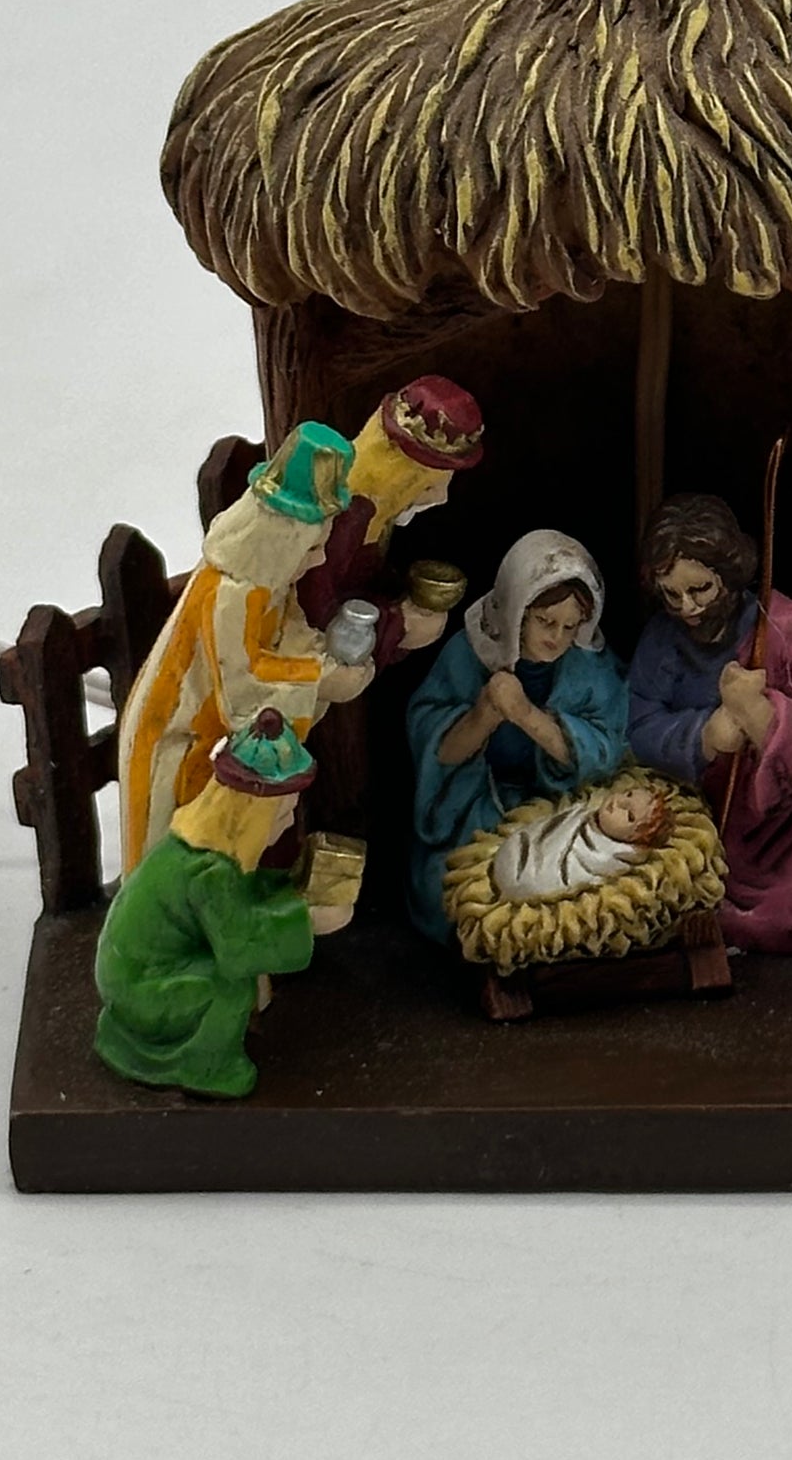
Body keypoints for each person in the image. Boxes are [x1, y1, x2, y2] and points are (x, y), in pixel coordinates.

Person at [116, 420, 370, 873]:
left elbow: (288, 630)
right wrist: (322, 677)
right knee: (172, 857)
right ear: (280, 540)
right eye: (311, 548)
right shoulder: (232, 593)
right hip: (179, 743)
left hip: (214, 741)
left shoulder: (268, 583)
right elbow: (243, 681)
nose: (319, 559)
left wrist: (321, 654)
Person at [626, 494, 792, 953]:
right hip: (711, 814)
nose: (687, 607)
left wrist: (761, 716)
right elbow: (639, 725)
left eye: (700, 589)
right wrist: (705, 736)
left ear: (730, 574)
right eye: (672, 595)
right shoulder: (661, 640)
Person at [94, 709, 353, 1099]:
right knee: (228, 984)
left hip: (135, 975)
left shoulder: (210, 852)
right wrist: (310, 920)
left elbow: (240, 899)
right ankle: (204, 1066)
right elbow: (238, 946)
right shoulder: (209, 872)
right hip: (140, 989)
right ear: (251, 813)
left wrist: (291, 885)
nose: (287, 823)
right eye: (283, 812)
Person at [405, 530, 627, 942]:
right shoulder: (469, 653)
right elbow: (436, 751)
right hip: (473, 807)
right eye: (545, 621)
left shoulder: (591, 667)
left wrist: (526, 715)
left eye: (570, 626)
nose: (556, 638)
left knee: (588, 888)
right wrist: (486, 713)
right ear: (516, 611)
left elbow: (605, 752)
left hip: (564, 806)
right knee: (456, 888)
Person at [296, 376, 485, 668]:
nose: (441, 498)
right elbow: (316, 613)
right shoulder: (350, 516)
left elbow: (362, 577)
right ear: (398, 475)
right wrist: (398, 622)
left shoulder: (378, 513)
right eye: (428, 486)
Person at [490, 777, 675, 900]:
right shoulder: (584, 813)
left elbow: (575, 874)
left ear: (632, 838)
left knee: (531, 882)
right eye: (628, 794)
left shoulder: (607, 857)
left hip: (537, 879)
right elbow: (550, 829)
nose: (619, 802)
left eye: (629, 815)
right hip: (522, 852)